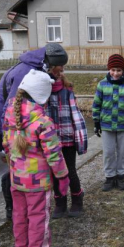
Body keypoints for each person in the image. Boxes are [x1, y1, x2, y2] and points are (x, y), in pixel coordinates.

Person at [2, 70, 69, 247]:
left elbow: (6, 146)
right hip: (38, 182)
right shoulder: (43, 122)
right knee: (39, 216)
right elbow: (54, 155)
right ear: (42, 96)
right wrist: (62, 177)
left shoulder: (9, 116)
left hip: (16, 178)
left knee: (20, 214)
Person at [0, 43, 68, 220]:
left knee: (17, 172)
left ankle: (20, 226)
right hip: (11, 130)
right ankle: (11, 211)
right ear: (51, 63)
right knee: (15, 172)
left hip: (11, 131)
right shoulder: (26, 73)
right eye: (59, 67)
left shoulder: (32, 67)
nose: (60, 71)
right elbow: (15, 108)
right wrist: (62, 176)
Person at [92, 54, 124, 191]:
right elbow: (96, 104)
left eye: (119, 70)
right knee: (108, 152)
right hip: (107, 125)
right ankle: (109, 177)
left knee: (122, 152)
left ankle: (120, 176)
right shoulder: (102, 84)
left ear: (123, 70)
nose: (116, 73)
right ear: (109, 69)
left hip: (123, 125)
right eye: (113, 70)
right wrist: (96, 122)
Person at [46, 63, 88, 218]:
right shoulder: (43, 93)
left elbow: (76, 116)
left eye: (58, 74)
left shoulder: (67, 91)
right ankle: (60, 202)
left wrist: (80, 139)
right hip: (50, 140)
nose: (55, 77)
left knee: (70, 171)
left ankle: (77, 198)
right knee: (55, 172)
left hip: (67, 139)